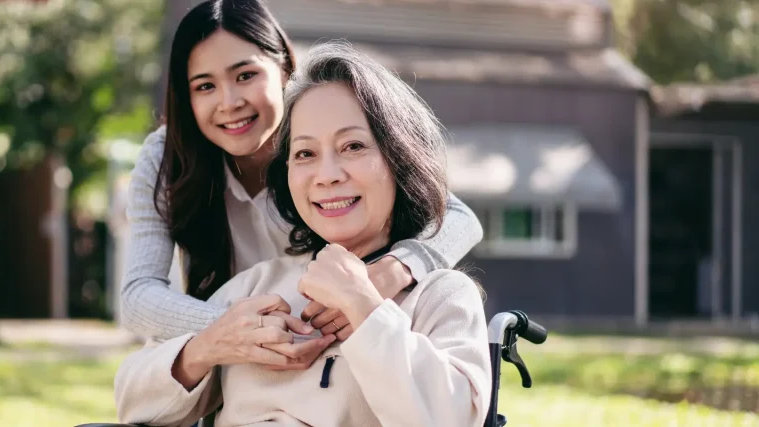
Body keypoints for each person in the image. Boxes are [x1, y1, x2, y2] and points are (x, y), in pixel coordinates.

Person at [114, 41, 491, 427]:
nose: (327, 175)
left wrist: (364, 305)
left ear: (401, 158)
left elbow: (453, 418)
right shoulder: (256, 288)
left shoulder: (440, 298)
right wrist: (205, 347)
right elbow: (131, 402)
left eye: (353, 146)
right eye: (305, 154)